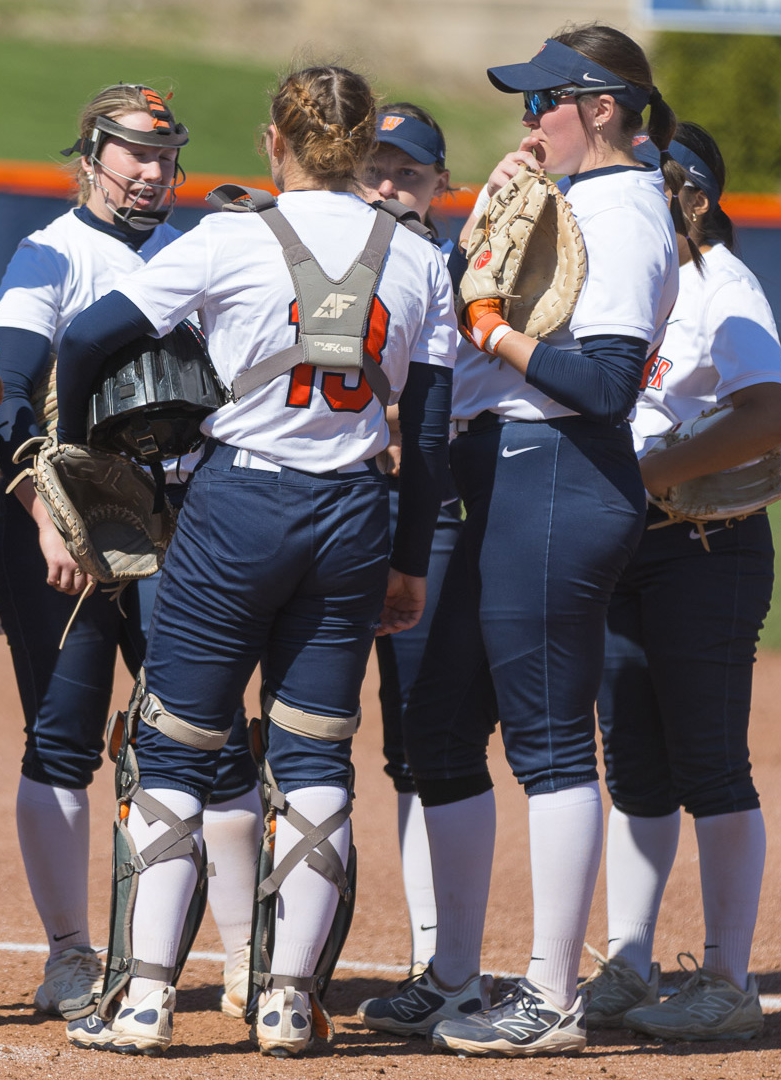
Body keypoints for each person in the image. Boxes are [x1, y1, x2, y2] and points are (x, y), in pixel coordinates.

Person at [49, 64, 459, 1058]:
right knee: (314, 754)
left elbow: (90, 337)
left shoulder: (228, 237)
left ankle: (144, 1002)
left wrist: (78, 455)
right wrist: (408, 561)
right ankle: (286, 1002)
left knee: (173, 747)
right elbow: (428, 434)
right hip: (354, 512)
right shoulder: (416, 256)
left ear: (275, 141)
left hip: (238, 504)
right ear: (363, 149)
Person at [357, 23, 681, 1058]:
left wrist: (492, 325)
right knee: (441, 727)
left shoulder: (624, 210)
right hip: (496, 472)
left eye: (544, 101)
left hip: (561, 473)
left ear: (599, 107)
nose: (530, 119)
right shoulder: (569, 196)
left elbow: (606, 385)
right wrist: (472, 249)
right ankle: (453, 973)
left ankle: (551, 994)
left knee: (548, 741)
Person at [0, 83, 263, 1023]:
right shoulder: (52, 252)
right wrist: (45, 513)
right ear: (90, 155)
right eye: (132, 151)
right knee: (63, 737)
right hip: (67, 519)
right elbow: (6, 393)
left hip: (179, 518)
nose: (150, 170)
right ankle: (70, 956)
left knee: (213, 739)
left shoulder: (198, 250)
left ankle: (248, 958)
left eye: (164, 154)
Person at [577, 121, 781, 1042]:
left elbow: (767, 415)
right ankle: (630, 959)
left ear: (692, 197)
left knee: (710, 763)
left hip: (707, 549)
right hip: (627, 545)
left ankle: (729, 981)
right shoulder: (627, 283)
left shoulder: (723, 287)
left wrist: (647, 474)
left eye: (651, 181)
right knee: (634, 765)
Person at [358, 102, 465, 979]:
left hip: (427, 514)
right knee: (302, 723)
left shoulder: (459, 269)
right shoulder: (320, 254)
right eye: (375, 169)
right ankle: (280, 951)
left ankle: (433, 952)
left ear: (439, 186)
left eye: (409, 173)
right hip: (331, 507)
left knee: (419, 736)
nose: (390, 187)